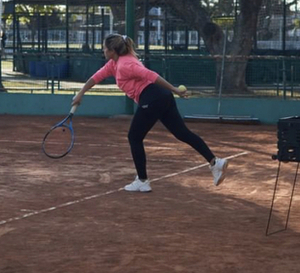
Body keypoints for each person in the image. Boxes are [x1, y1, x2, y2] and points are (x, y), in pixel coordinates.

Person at [72, 34, 228, 192]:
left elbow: (151, 75)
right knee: (182, 133)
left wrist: (173, 89)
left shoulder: (126, 64)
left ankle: (142, 180)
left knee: (134, 136)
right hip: (161, 97)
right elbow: (96, 77)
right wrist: (81, 93)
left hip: (152, 97)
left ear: (112, 50)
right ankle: (216, 162)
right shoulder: (114, 63)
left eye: (104, 48)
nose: (103, 50)